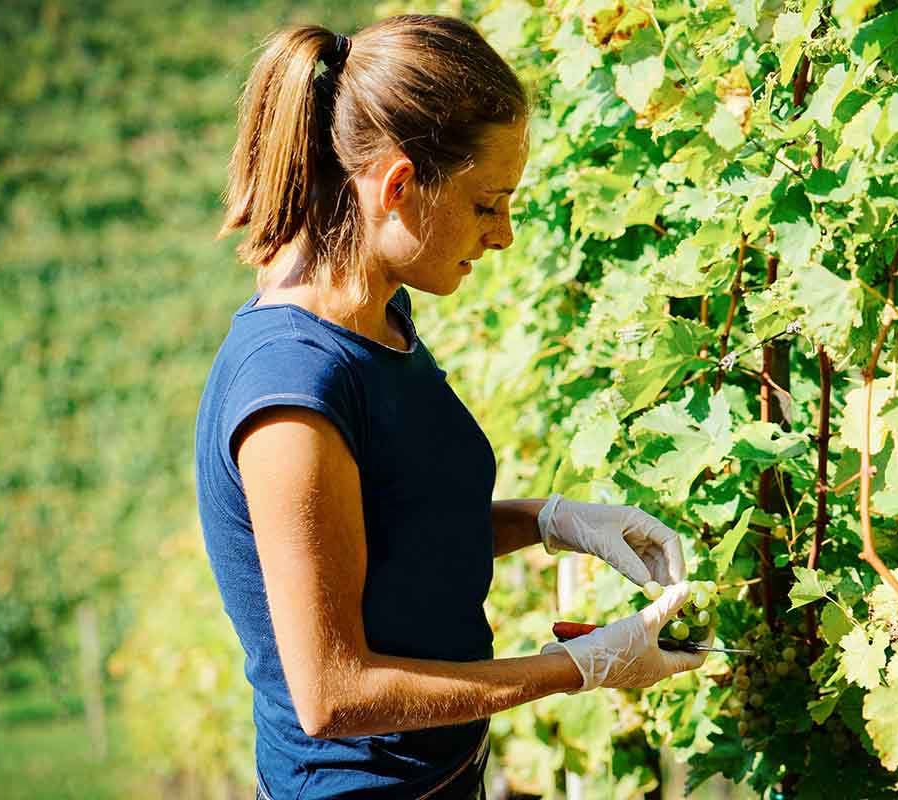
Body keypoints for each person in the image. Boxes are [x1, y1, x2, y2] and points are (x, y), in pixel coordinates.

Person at [193, 15, 707, 800]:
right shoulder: (292, 399)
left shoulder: (379, 318)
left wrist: (551, 520)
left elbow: (395, 527)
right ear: (398, 186)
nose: (502, 234)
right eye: (487, 203)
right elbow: (334, 697)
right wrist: (578, 670)